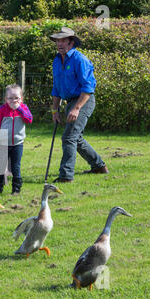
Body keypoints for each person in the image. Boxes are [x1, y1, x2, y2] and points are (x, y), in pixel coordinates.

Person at [49, 27, 108, 183]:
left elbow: (88, 87)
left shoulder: (80, 59)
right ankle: (99, 166)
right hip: (70, 101)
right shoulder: (56, 60)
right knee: (76, 138)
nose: (59, 43)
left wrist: (76, 108)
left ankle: (66, 176)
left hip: (83, 101)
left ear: (71, 42)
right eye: (57, 40)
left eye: (63, 40)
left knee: (69, 137)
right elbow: (56, 88)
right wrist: (55, 110)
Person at [0, 84, 33, 195]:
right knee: (0, 167)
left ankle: (16, 190)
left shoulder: (23, 108)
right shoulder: (2, 109)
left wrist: (19, 109)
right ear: (6, 99)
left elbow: (29, 119)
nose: (13, 101)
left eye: (16, 98)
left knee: (16, 167)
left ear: (21, 99)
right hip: (3, 143)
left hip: (18, 144)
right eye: (10, 98)